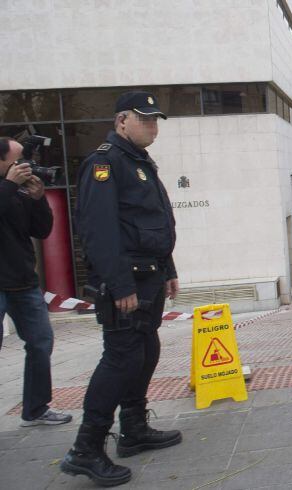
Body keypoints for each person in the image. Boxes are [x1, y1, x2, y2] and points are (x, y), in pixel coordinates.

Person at [61, 91, 182, 487]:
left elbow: (154, 222)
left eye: (155, 120)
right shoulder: (105, 163)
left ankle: (133, 429)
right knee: (120, 359)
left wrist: (167, 267)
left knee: (145, 351)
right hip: (126, 281)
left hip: (148, 275)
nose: (152, 125)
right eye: (145, 119)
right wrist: (119, 285)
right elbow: (99, 231)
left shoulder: (138, 161)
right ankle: (85, 449)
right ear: (121, 122)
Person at [0, 137, 73, 427]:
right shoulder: (7, 189)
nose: (24, 166)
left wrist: (39, 198)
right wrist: (8, 185)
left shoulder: (18, 192)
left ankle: (36, 408)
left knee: (41, 342)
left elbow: (41, 231)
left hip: (24, 283)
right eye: (17, 161)